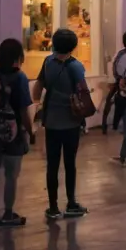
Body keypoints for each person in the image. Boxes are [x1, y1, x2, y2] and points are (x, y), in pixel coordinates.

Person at [31, 28, 89, 220]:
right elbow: (82, 92)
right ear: (73, 46)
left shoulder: (48, 62)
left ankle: (53, 207)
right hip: (71, 121)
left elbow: (38, 87)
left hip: (52, 121)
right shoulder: (76, 66)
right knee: (70, 163)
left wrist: (37, 105)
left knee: (52, 165)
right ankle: (71, 203)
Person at [0, 38, 34, 227]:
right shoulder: (20, 78)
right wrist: (30, 131)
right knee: (11, 175)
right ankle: (8, 213)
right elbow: (23, 110)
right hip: (13, 133)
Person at [106, 29, 126, 165]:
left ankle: (124, 154)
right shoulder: (122, 55)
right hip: (124, 92)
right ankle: (124, 156)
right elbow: (116, 71)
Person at [102, 29, 126, 133]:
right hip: (122, 82)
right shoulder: (121, 54)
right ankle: (114, 124)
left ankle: (125, 124)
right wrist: (118, 79)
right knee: (119, 103)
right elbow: (115, 67)